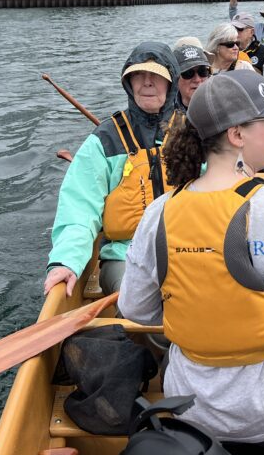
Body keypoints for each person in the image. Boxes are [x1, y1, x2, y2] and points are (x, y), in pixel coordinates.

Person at [120, 71, 264, 445]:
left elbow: (135, 308)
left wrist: (202, 319)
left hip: (192, 410)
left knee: (177, 352)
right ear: (237, 135)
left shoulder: (159, 212)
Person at [44, 43, 181, 297]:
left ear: (170, 83)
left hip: (189, 250)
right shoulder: (104, 141)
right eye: (139, 75)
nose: (147, 82)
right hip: (125, 255)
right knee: (141, 298)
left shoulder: (192, 133)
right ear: (129, 83)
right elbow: (79, 210)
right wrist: (66, 261)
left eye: (157, 75)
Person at [232, 12, 264, 89]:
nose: (235, 32)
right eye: (233, 28)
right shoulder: (226, 49)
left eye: (239, 29)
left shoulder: (263, 52)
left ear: (251, 32)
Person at [173, 43, 210, 111]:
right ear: (175, 78)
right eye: (188, 73)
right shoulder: (164, 111)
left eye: (203, 71)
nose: (197, 79)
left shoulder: (221, 104)